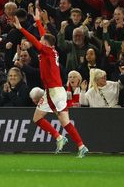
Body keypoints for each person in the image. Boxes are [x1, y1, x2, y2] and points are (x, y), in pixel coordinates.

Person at [12, 11, 89, 158]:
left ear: (46, 44)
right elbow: (43, 37)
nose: (39, 42)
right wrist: (38, 22)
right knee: (61, 120)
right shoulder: (51, 50)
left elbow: (36, 40)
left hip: (53, 91)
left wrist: (20, 28)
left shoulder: (46, 50)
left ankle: (61, 138)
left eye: (42, 41)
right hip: (56, 90)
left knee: (41, 119)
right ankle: (79, 145)